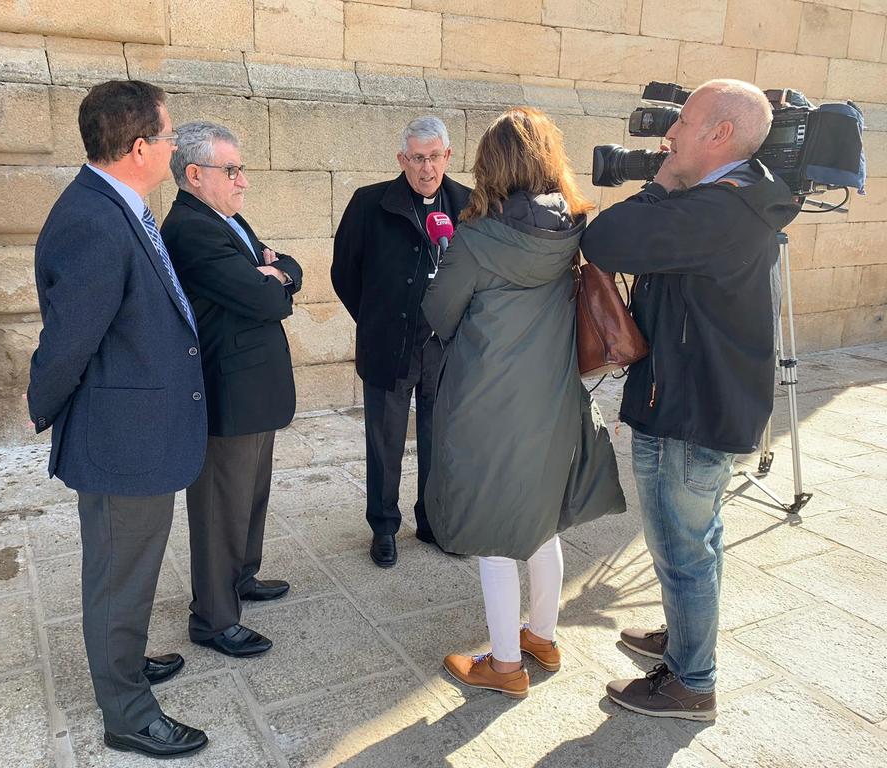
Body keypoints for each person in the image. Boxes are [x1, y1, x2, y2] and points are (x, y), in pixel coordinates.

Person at [580, 79, 801, 721]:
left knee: (682, 547)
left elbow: (607, 239)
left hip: (692, 409)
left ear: (720, 134)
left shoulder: (716, 211)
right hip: (694, 396)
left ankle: (691, 681)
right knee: (691, 539)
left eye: (685, 124)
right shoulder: (733, 197)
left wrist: (661, 184)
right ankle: (685, 640)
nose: (669, 135)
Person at [27, 80, 208, 759]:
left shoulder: (119, 205)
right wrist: (41, 406)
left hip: (141, 432)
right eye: (166, 139)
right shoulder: (93, 219)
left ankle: (122, 660)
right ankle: (126, 711)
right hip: (118, 439)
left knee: (132, 566)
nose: (171, 149)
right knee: (118, 574)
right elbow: (69, 340)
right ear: (139, 147)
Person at [422, 108, 626, 699]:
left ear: (491, 165)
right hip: (554, 394)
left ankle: (505, 666)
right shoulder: (574, 228)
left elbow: (439, 314)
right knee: (541, 521)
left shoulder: (479, 238)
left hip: (487, 400)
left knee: (492, 533)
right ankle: (542, 635)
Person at [161, 121, 303, 658]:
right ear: (195, 175)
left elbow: (287, 266)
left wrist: (277, 272)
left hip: (255, 387)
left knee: (252, 493)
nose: (243, 180)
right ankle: (214, 618)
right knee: (222, 504)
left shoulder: (227, 219)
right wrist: (271, 278)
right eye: (232, 170)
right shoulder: (193, 229)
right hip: (229, 389)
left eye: (241, 168)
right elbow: (265, 299)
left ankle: (242, 576)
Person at [332, 116, 471, 568]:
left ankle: (432, 522)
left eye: (434, 157)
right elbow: (344, 273)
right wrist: (376, 320)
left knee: (440, 438)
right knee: (385, 440)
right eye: (416, 158)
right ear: (402, 159)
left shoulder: (469, 205)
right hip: (390, 343)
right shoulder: (370, 203)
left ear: (448, 156)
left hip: (444, 346)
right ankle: (384, 527)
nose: (426, 168)